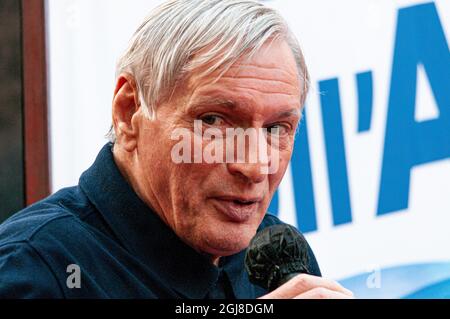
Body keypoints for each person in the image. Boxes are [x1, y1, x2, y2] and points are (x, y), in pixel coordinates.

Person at [0, 0, 353, 299]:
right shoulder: (33, 269)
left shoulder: (278, 257)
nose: (255, 165)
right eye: (214, 121)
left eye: (276, 128)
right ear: (129, 112)